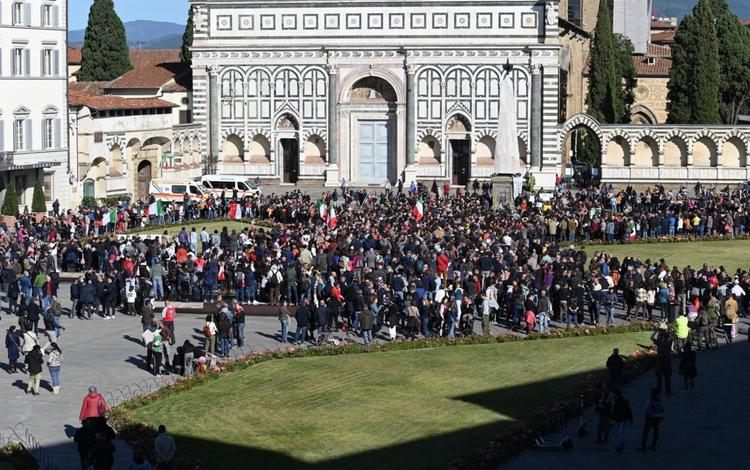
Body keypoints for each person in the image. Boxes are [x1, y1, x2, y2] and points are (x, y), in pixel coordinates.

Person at [651, 325, 673, 395]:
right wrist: (667, 332)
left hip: (660, 362)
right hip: (667, 362)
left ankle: (659, 391)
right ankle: (668, 391)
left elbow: (651, 337)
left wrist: (657, 330)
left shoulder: (659, 343)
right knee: (667, 378)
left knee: (659, 379)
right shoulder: (669, 343)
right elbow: (672, 338)